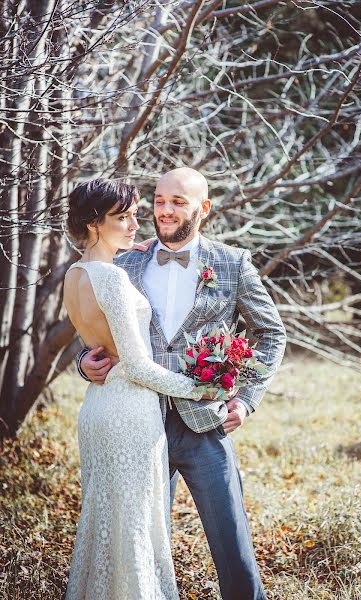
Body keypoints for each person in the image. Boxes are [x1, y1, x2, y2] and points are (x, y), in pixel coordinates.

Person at [77, 167, 287, 600]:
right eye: (159, 201)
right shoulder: (123, 259)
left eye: (178, 201)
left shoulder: (233, 264)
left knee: (232, 543)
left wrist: (246, 400)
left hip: (204, 422)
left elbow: (272, 334)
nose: (165, 210)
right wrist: (84, 362)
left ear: (203, 208)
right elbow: (92, 324)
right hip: (138, 422)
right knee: (143, 541)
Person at [63, 178, 210, 600]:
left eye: (133, 214)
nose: (134, 224)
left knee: (107, 525)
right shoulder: (110, 278)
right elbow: (138, 366)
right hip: (129, 413)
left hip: (97, 408)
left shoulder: (76, 274)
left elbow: (100, 347)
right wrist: (201, 389)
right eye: (122, 217)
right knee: (134, 529)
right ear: (93, 223)